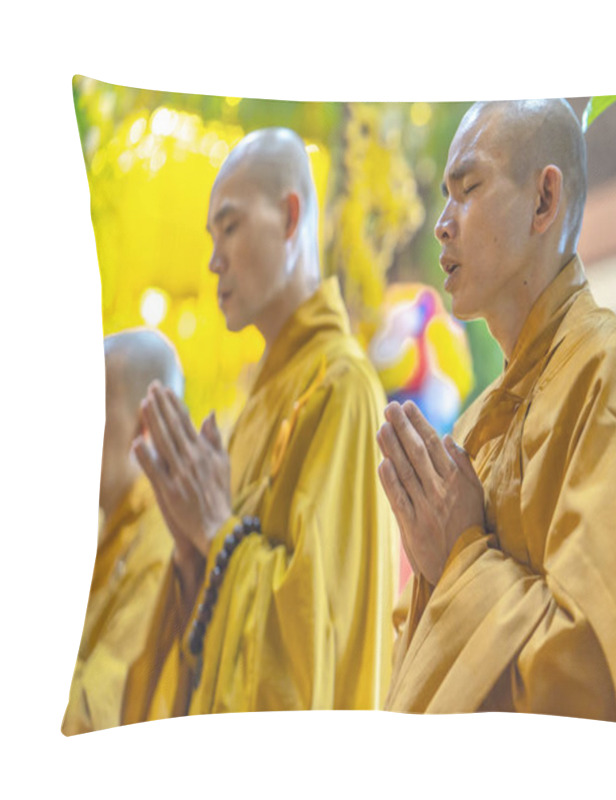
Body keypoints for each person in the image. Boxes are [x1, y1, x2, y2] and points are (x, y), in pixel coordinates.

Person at [377, 99, 616, 729]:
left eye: (468, 188)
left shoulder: (610, 373)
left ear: (543, 201)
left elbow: (600, 681)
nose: (442, 224)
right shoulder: (472, 427)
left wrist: (460, 560)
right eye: (444, 197)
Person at [123, 127, 396, 720]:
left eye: (231, 226)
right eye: (211, 236)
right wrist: (194, 553)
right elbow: (209, 639)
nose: (214, 260)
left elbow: (316, 648)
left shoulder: (341, 389)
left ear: (289, 216)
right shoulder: (251, 414)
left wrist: (218, 532)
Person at [62, 329, 182, 735]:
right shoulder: (110, 527)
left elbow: (92, 720)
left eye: (92, 407)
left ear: (143, 425)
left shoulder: (163, 541)